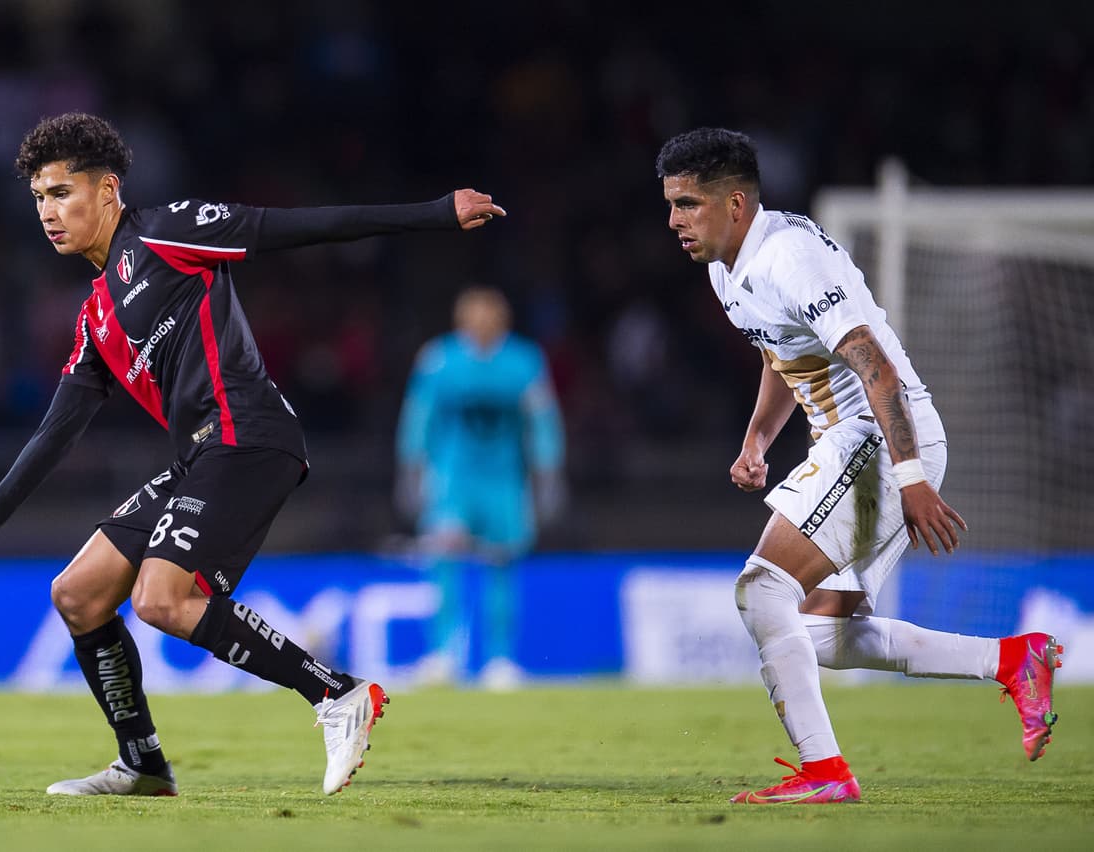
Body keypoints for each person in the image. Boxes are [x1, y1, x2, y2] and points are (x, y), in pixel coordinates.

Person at [0, 112, 506, 797]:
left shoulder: (166, 231)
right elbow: (58, 428)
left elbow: (295, 226)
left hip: (250, 437)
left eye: (62, 192)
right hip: (201, 458)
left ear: (108, 191)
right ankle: (141, 763)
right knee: (77, 594)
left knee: (161, 600)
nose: (49, 212)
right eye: (40, 198)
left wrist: (435, 213)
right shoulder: (96, 316)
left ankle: (336, 694)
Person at [655, 128, 1062, 805]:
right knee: (823, 634)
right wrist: (757, 438)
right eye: (670, 205)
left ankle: (826, 774)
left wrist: (913, 480)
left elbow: (871, 363)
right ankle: (1015, 661)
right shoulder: (726, 268)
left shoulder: (788, 256)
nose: (673, 221)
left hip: (878, 437)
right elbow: (780, 350)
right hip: (858, 444)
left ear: (734, 203)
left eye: (688, 204)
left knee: (762, 591)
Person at [394, 286, 565, 688]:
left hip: (504, 481)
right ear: (461, 321)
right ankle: (442, 656)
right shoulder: (440, 359)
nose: (481, 325)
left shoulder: (523, 361)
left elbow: (543, 420)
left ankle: (500, 660)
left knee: (502, 564)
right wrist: (411, 467)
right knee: (445, 562)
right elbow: (418, 416)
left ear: (502, 321)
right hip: (453, 479)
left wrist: (548, 471)